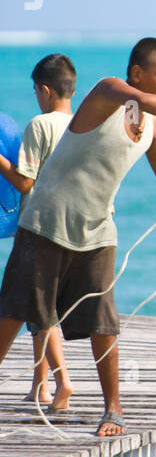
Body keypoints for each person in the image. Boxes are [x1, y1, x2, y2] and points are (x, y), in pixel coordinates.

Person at [0, 37, 156, 436]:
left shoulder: (153, 127)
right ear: (137, 73)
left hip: (98, 231)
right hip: (45, 224)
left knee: (104, 322)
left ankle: (113, 411)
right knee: (13, 314)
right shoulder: (107, 92)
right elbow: (148, 103)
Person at [0, 53, 77, 405]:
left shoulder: (40, 125)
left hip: (37, 229)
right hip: (70, 229)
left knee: (39, 310)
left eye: (35, 91)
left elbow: (25, 182)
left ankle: (62, 381)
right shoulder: (80, 126)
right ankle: (40, 386)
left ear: (45, 91)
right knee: (41, 309)